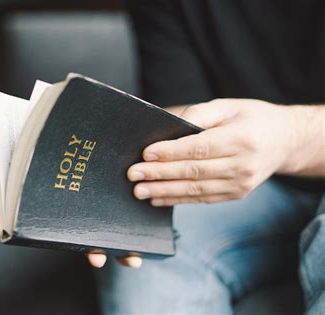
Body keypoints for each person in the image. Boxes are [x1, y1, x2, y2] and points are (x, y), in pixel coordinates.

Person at [87, 1, 325, 314]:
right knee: (148, 251)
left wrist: (290, 138)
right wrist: (104, 184)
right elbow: (179, 126)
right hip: (247, 191)